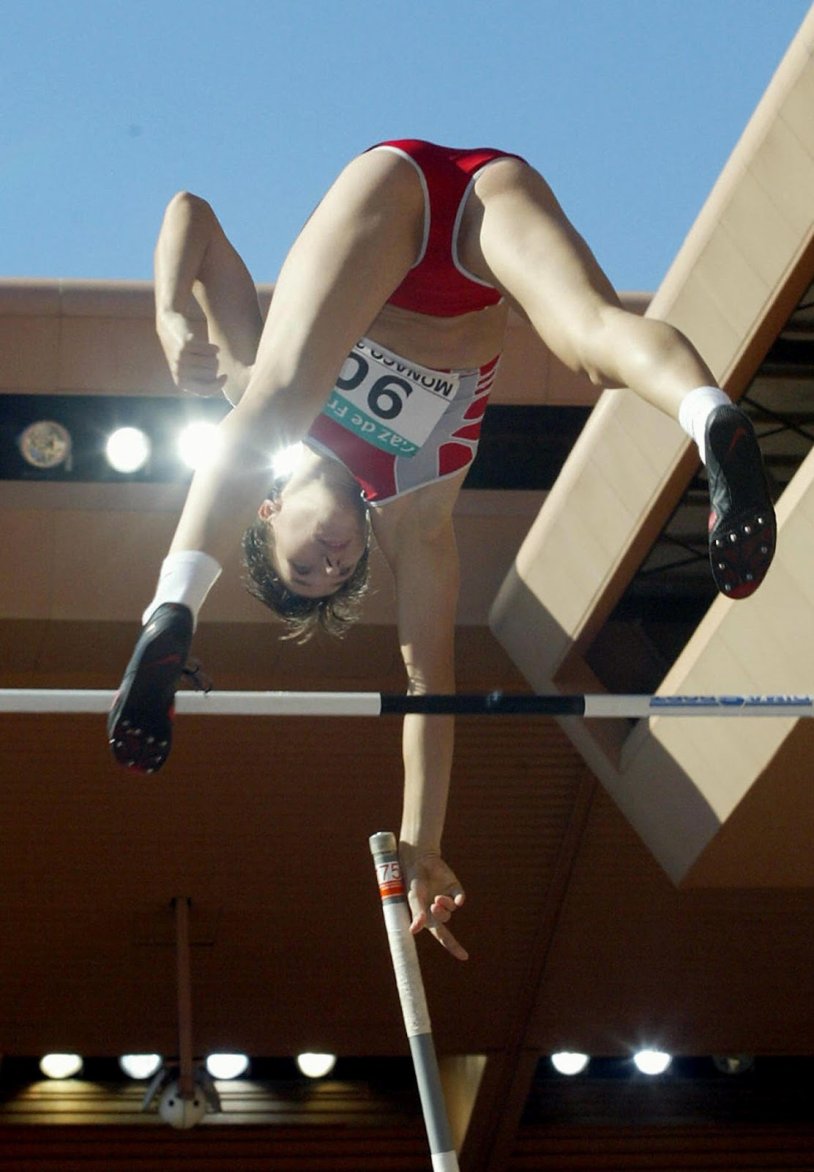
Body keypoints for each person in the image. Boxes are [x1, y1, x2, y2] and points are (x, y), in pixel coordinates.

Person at [107, 139, 776, 962]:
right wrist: (422, 845)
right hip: (485, 214)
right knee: (590, 340)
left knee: (267, 400)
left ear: (268, 508)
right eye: (341, 574)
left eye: (305, 563)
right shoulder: (417, 519)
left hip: (387, 197)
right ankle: (711, 417)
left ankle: (172, 609)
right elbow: (429, 687)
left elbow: (193, 218)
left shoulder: (258, 399)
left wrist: (171, 313)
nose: (334, 561)